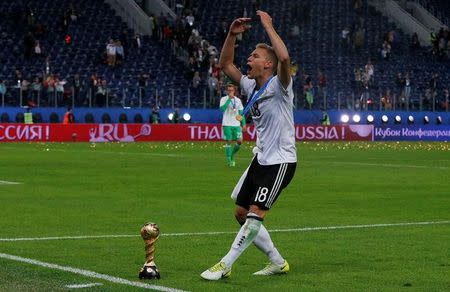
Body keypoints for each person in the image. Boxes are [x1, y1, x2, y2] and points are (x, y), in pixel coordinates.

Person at [201, 10, 297, 280]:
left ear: (268, 64)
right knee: (241, 213)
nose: (248, 59)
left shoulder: (280, 86)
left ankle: (225, 264)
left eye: (254, 56)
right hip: (261, 158)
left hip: (281, 161)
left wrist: (268, 25)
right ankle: (277, 261)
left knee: (255, 216)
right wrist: (231, 35)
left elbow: (285, 58)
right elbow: (226, 64)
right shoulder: (250, 88)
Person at [219, 83, 246, 167]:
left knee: (240, 141)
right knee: (229, 141)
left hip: (236, 124)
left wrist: (244, 124)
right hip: (227, 123)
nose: (230, 91)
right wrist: (229, 100)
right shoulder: (223, 99)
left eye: (231, 90)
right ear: (227, 91)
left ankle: (232, 155)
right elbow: (222, 109)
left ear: (234, 90)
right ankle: (229, 160)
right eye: (228, 90)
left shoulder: (238, 100)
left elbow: (241, 113)